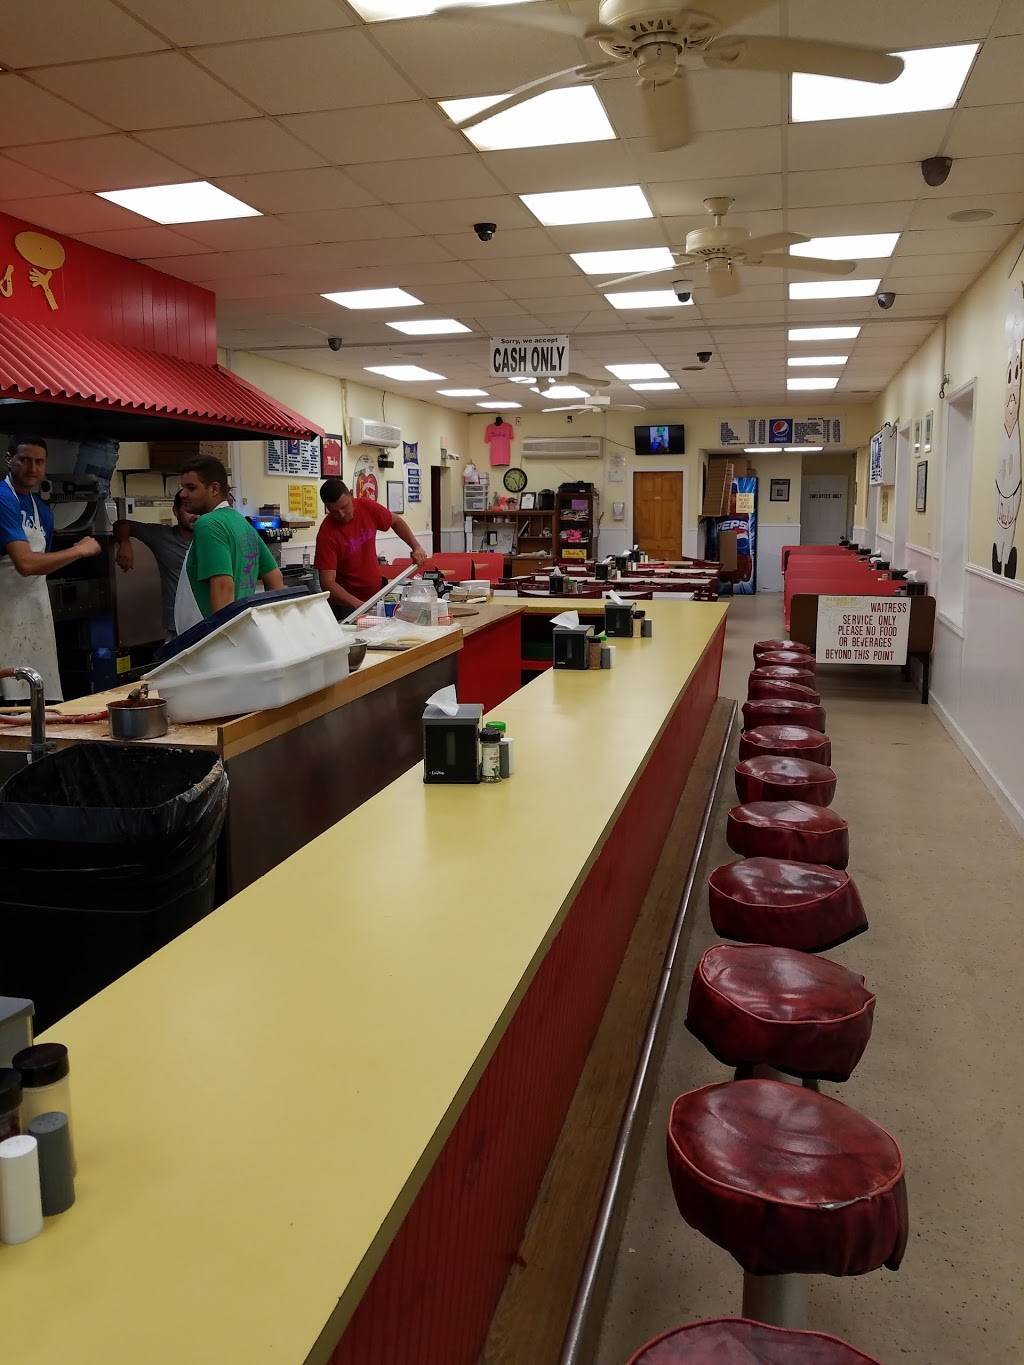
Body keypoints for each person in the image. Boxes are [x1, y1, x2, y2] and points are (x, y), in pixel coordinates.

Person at [0, 436, 101, 702]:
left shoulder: (43, 511)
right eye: (25, 460)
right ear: (9, 460)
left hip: (34, 613)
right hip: (3, 614)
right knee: (9, 701)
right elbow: (26, 564)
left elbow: (43, 565)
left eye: (39, 462)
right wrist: (79, 550)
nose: (32, 468)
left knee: (36, 696)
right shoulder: (2, 499)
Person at [174, 455, 283, 634]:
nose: (183, 494)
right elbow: (275, 578)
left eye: (191, 488)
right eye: (183, 487)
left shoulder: (208, 524)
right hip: (242, 630)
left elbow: (223, 585)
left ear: (214, 489)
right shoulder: (241, 522)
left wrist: (225, 638)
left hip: (212, 638)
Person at [315, 478, 427, 614]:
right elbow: (328, 584)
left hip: (376, 594)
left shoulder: (366, 507)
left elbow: (396, 521)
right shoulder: (327, 534)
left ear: (351, 495)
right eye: (334, 512)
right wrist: (358, 605)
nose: (341, 514)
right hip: (348, 605)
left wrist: (416, 546)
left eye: (344, 507)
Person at [113, 491, 196, 639]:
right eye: (188, 509)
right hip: (176, 626)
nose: (195, 515)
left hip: (206, 621)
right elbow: (122, 524)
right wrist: (124, 544)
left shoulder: (212, 537)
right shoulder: (162, 536)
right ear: (176, 511)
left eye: (198, 510)